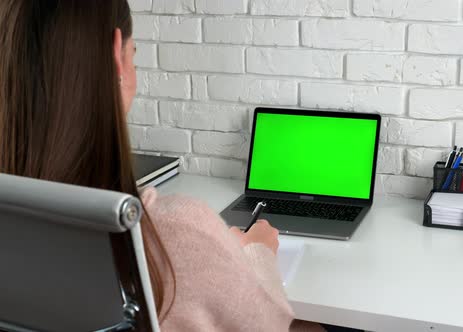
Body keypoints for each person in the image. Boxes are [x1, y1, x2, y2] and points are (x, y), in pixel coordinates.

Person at [0, 1, 325, 331]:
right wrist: (257, 253)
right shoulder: (174, 230)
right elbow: (269, 325)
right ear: (117, 59)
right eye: (135, 53)